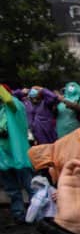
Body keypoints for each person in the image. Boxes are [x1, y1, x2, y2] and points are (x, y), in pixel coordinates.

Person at [0, 84, 32, 223]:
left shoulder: (15, 106)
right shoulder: (1, 110)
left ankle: (38, 212)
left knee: (30, 186)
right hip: (4, 158)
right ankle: (19, 215)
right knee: (12, 190)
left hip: (19, 155)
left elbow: (8, 100)